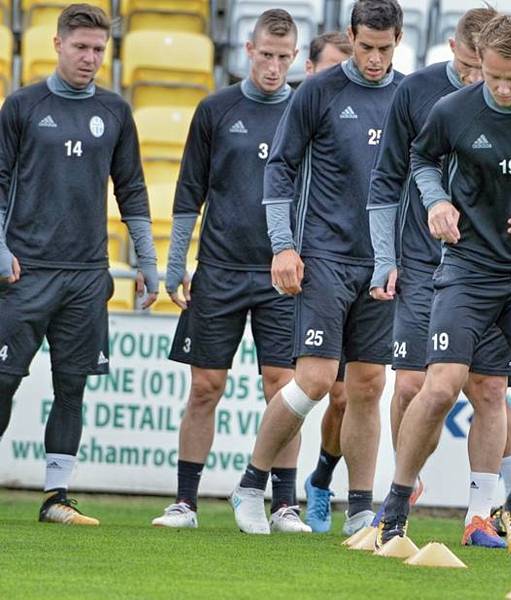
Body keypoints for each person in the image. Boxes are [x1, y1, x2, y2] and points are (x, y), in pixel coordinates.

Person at [375, 14, 511, 559]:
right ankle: (398, 504)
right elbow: (421, 160)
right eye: (493, 77)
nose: (501, 88)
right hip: (468, 268)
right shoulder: (452, 110)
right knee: (439, 386)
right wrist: (437, 202)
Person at [229, 0, 404, 537]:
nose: (374, 59)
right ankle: (250, 484)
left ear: (399, 41)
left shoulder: (409, 97)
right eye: (366, 47)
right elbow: (279, 167)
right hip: (323, 255)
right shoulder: (319, 93)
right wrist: (283, 246)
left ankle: (359, 510)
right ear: (351, 37)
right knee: (316, 379)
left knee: (370, 386)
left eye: (385, 48)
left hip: (380, 263)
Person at [151, 9, 309, 534]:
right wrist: (176, 263)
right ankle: (185, 503)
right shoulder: (216, 108)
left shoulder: (306, 110)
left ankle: (284, 504)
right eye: (266, 55)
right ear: (248, 48)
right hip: (218, 268)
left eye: (284, 58)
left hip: (282, 274)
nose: (273, 66)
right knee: (205, 387)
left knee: (283, 386)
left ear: (296, 58)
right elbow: (188, 190)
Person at [0, 3, 158, 525]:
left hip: (87, 274)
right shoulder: (21, 106)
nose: (90, 58)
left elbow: (131, 189)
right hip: (26, 270)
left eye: (98, 50)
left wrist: (148, 261)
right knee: (3, 380)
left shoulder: (115, 112)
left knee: (72, 385)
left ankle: (56, 496)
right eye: (81, 47)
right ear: (58, 44)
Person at [367, 6, 511, 549]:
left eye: (489, 69)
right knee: (410, 384)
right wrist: (386, 258)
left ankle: (479, 515)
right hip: (424, 260)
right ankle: (402, 489)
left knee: (490, 388)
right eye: (472, 67)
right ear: (453, 49)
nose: (481, 81)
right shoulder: (418, 92)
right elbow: (387, 180)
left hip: (490, 267)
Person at [301, 30, 355, 533]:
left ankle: (319, 480)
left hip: (341, 266)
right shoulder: (303, 111)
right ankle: (266, 493)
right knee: (290, 386)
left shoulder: (363, 111)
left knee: (340, 396)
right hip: (295, 262)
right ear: (312, 67)